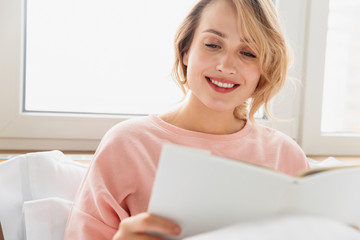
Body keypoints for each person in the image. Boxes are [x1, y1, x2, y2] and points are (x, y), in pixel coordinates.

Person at [64, 0, 310, 239]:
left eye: (247, 52)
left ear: (264, 68)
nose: (226, 66)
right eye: (213, 45)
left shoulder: (285, 156)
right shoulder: (127, 144)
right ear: (185, 51)